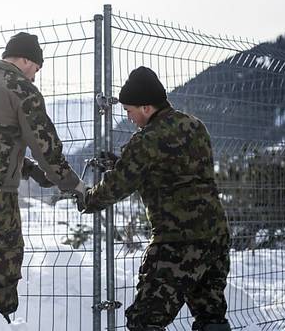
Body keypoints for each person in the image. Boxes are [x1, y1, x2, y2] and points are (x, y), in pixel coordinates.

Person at [78, 66, 232, 331]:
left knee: (144, 321)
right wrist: (123, 163)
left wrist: (86, 198)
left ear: (146, 107)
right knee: (211, 316)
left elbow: (116, 187)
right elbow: (175, 168)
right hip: (215, 236)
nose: (129, 117)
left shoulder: (146, 140)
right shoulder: (195, 126)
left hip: (178, 242)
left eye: (129, 110)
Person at [0, 32, 86, 322]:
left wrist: (30, 170)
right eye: (37, 66)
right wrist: (73, 184)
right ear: (25, 60)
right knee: (2, 270)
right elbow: (46, 147)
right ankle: (0, 325)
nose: (36, 74)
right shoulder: (21, 89)